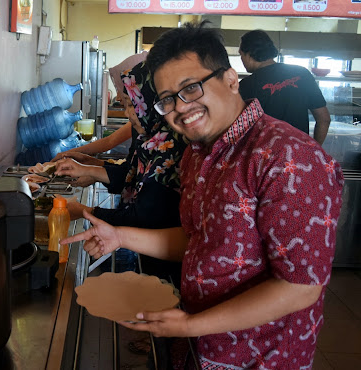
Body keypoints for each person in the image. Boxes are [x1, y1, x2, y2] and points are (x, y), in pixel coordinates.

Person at [62, 22, 344, 369]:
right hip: (200, 346)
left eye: (191, 88)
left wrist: (192, 324)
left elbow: (301, 286)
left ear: (230, 79)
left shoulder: (290, 158)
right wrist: (119, 236)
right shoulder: (198, 153)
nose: (180, 107)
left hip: (258, 356)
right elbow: (202, 241)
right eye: (167, 99)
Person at [55, 58, 188, 283]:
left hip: (171, 266)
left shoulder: (170, 147)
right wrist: (87, 168)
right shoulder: (153, 137)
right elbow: (131, 174)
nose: (127, 112)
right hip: (152, 255)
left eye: (130, 104)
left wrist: (85, 210)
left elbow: (143, 218)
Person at [238, 29, 330, 144]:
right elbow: (324, 119)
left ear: (249, 53)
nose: (241, 59)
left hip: (265, 156)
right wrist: (314, 151)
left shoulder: (247, 85)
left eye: (241, 55)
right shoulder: (302, 73)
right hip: (298, 154)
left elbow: (239, 130)